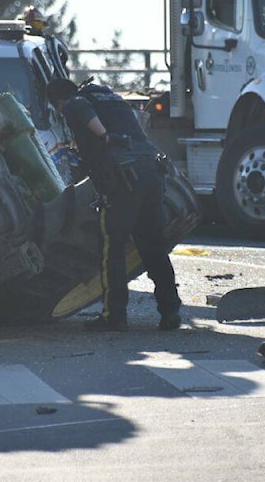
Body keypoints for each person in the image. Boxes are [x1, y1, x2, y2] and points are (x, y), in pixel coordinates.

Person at [46, 78, 182, 332]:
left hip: (123, 177)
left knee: (113, 248)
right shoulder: (110, 98)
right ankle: (170, 311)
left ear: (58, 103)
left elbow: (81, 112)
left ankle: (114, 316)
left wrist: (104, 136)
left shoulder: (75, 103)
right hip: (152, 171)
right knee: (153, 245)